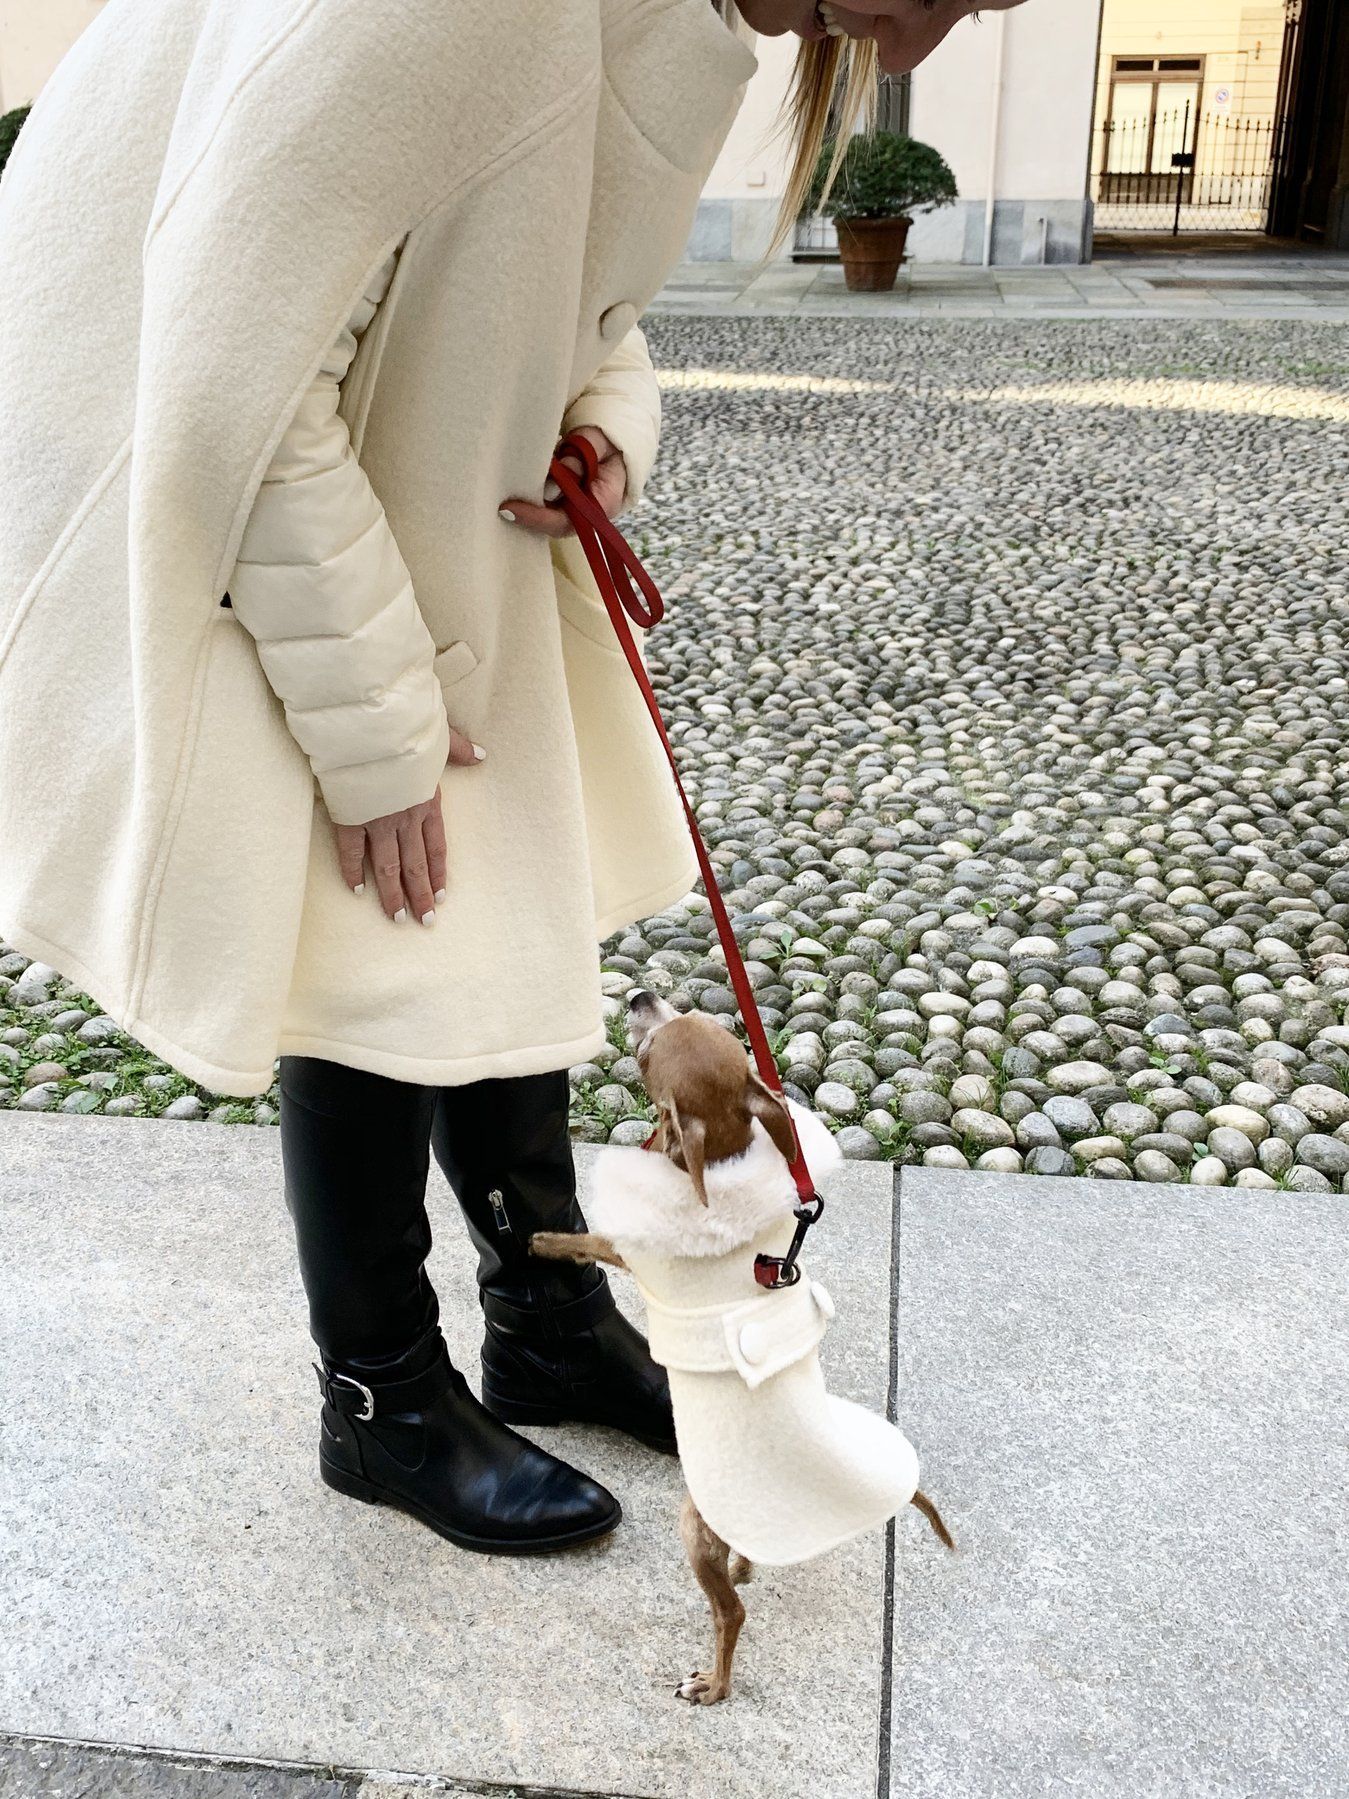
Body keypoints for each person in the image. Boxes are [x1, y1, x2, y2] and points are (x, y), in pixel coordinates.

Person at [0, 0, 1024, 1558]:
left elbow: (554, 288)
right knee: (376, 930)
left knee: (497, 883)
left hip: (381, 458)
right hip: (190, 483)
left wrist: (602, 420)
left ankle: (540, 1320)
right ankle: (380, 1402)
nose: (937, 35)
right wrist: (372, 728)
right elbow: (235, 376)